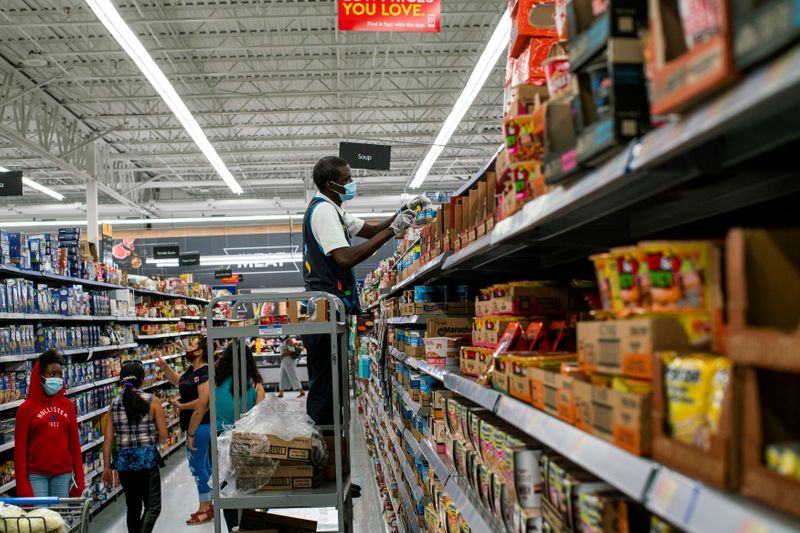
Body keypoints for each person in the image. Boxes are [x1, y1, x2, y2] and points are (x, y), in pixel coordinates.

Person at [302, 156, 424, 497]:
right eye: (348, 179)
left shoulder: (335, 209)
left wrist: (399, 215)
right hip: (324, 315)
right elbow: (344, 257)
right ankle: (322, 473)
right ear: (332, 185)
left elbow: (369, 230)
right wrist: (393, 232)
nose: (352, 183)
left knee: (335, 396)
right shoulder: (324, 211)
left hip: (334, 315)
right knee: (325, 398)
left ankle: (335, 473)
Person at [102, 362, 168, 533]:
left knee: (133, 506)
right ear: (142, 379)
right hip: (146, 459)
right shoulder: (152, 401)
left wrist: (106, 467)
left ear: (121, 381)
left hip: (123, 461)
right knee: (152, 506)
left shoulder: (114, 404)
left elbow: (108, 438)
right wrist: (152, 445)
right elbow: (163, 434)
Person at [157, 335, 213, 525]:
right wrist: (165, 367)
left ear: (200, 352)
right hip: (193, 424)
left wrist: (181, 407)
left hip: (201, 425)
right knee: (204, 466)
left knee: (197, 467)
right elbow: (175, 380)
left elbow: (203, 402)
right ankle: (209, 504)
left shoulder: (205, 372)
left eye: (192, 345)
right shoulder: (191, 370)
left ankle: (204, 508)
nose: (188, 348)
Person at [14, 349, 85, 498]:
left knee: (59, 520)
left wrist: (80, 478)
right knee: (42, 518)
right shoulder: (25, 409)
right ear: (39, 377)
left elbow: (74, 444)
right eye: (52, 374)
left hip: (63, 473)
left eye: (59, 375)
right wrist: (22, 486)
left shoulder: (68, 405)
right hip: (36, 475)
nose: (57, 379)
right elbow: (20, 451)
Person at [214, 341, 265, 531]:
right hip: (246, 440)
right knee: (248, 486)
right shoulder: (255, 384)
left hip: (220, 440)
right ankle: (249, 525)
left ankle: (233, 527)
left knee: (227, 488)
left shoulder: (215, 382)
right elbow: (262, 415)